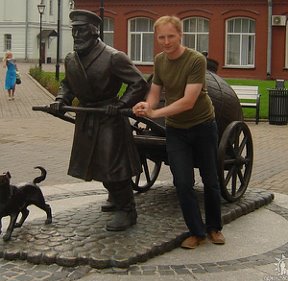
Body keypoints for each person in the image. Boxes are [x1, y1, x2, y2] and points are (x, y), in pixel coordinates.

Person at [50, 9, 148, 231]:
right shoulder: (71, 59)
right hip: (88, 116)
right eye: (74, 30)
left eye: (81, 30)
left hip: (109, 117)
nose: (76, 35)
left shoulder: (113, 57)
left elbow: (139, 83)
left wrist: (122, 105)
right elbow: (68, 83)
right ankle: (115, 198)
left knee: (112, 165)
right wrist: (60, 99)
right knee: (95, 164)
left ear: (94, 31)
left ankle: (128, 210)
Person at [133, 15, 225, 249]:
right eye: (161, 37)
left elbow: (188, 101)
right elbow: (155, 91)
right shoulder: (160, 61)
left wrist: (156, 114)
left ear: (180, 35)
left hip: (203, 126)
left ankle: (214, 227)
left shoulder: (195, 60)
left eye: (171, 36)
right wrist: (148, 106)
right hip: (176, 131)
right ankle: (197, 232)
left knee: (211, 180)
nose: (166, 41)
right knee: (183, 183)